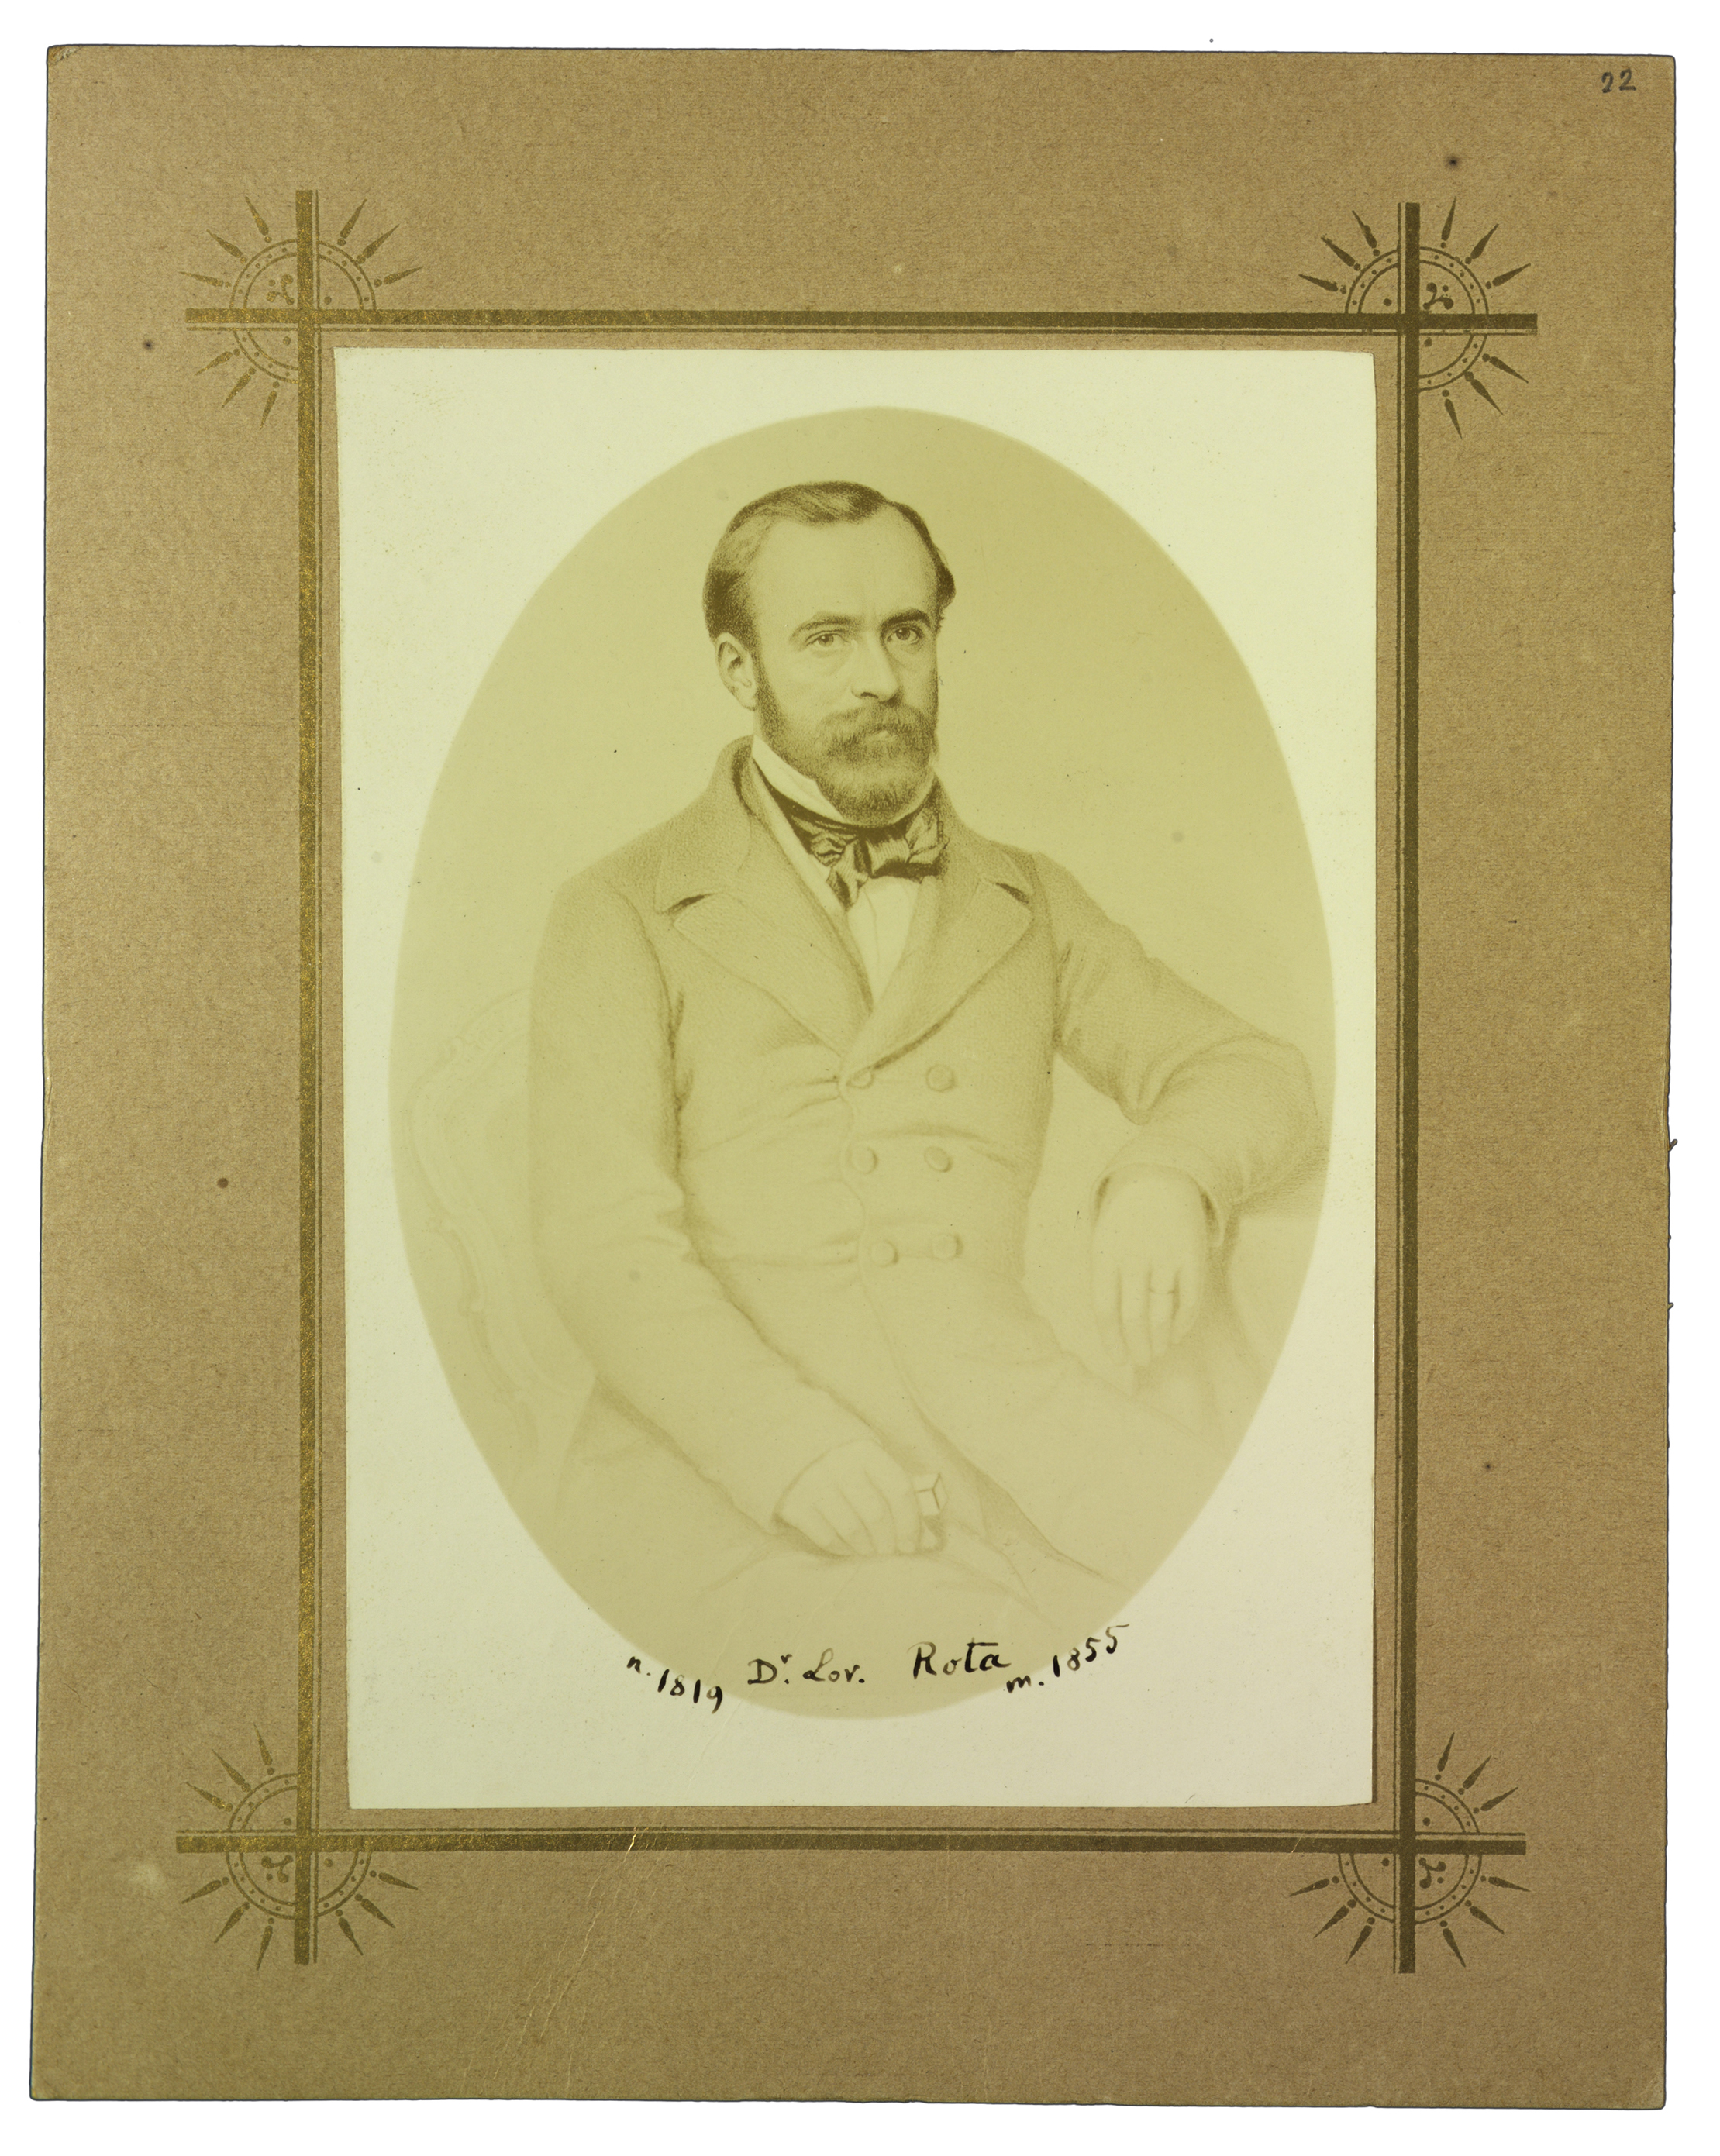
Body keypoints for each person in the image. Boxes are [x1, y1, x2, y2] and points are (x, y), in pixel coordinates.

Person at [528, 480, 1320, 1712]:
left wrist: (1171, 1172)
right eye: (825, 638)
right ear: (739, 669)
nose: (880, 679)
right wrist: (790, 1449)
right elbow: (602, 1246)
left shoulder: (1027, 900)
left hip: (1020, 1431)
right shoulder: (621, 910)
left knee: (1280, 1622)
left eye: (906, 631)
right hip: (729, 1472)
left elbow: (1255, 1070)